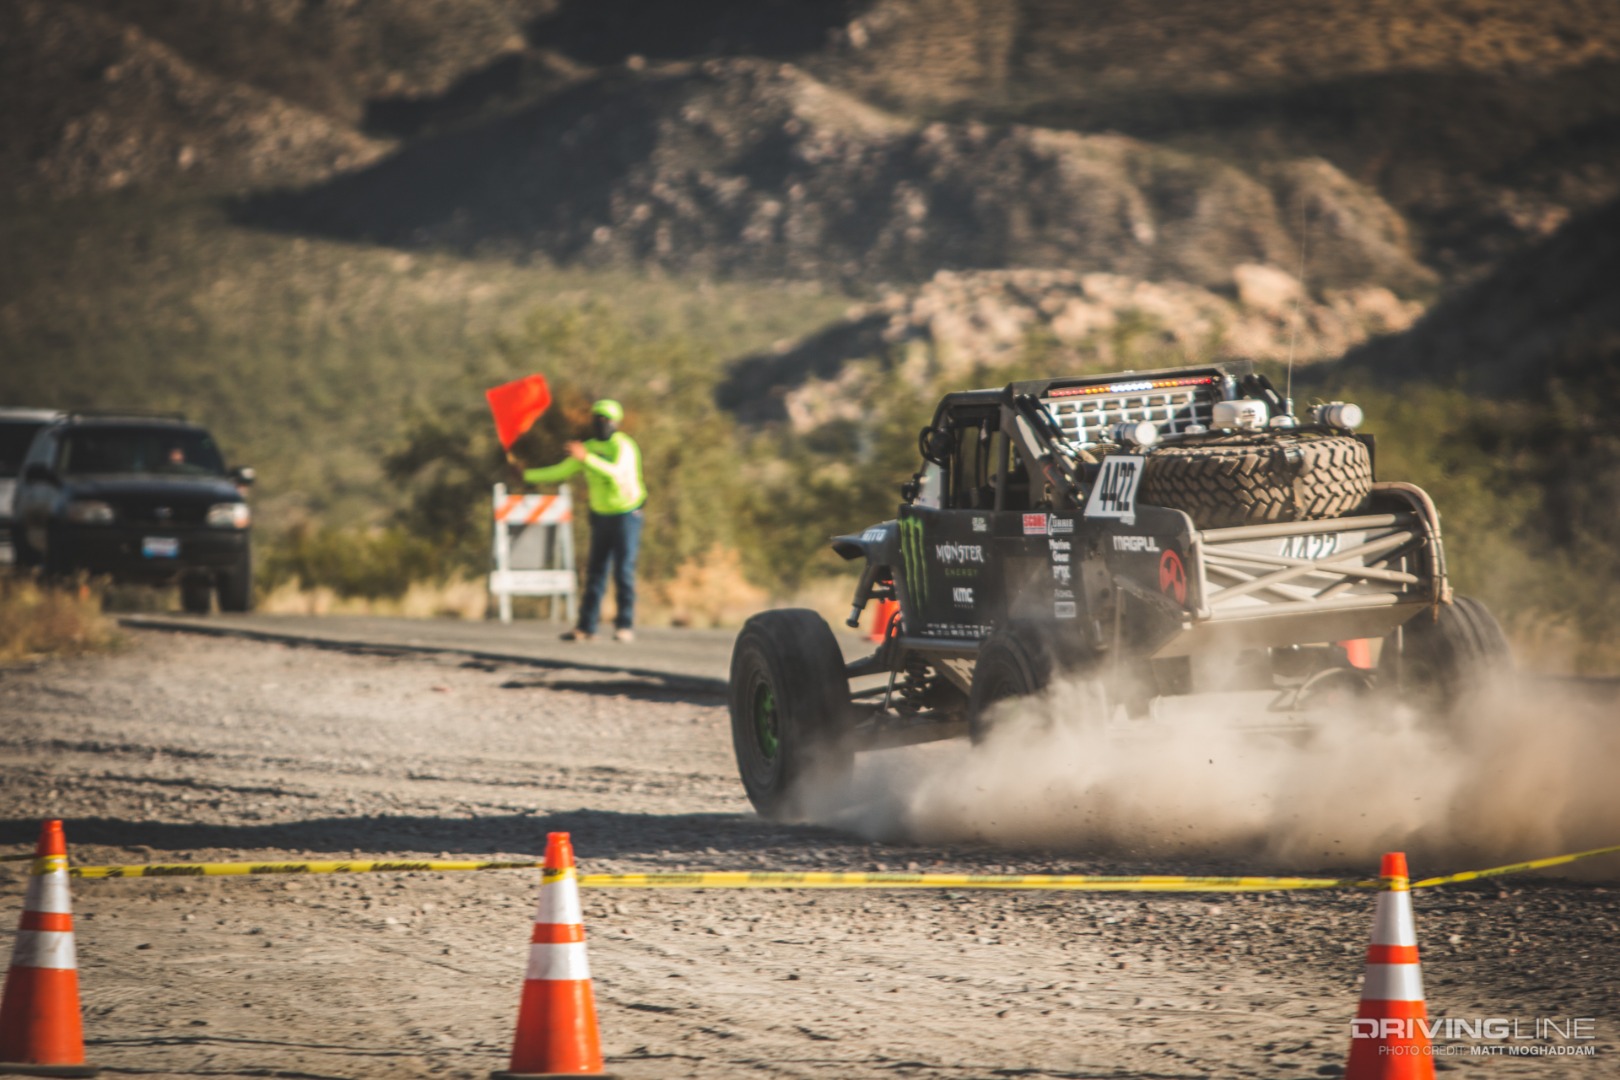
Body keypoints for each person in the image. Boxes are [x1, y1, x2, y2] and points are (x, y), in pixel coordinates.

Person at [511, 399, 645, 642]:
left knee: (624, 571)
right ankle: (586, 627)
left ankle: (624, 625)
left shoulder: (624, 446)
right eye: (598, 418)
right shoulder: (589, 448)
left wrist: (587, 459)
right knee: (595, 572)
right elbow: (561, 471)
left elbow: (616, 473)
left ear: (616, 423)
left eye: (607, 419)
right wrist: (527, 474)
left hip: (627, 514)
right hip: (601, 515)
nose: (601, 423)